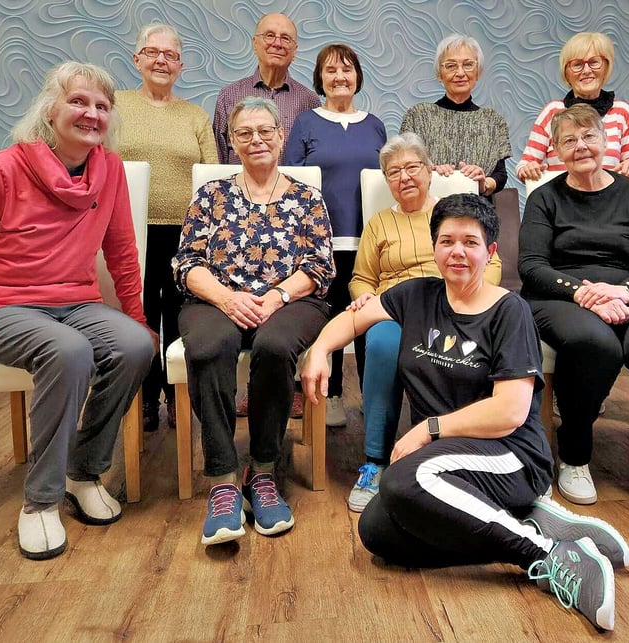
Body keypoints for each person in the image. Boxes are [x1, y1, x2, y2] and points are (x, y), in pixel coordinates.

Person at [303, 193, 629, 631]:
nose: (457, 251)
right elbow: (354, 318)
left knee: (401, 481)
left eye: (470, 242)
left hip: (510, 454)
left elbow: (510, 411)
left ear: (490, 251)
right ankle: (524, 521)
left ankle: (549, 556)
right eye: (447, 241)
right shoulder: (416, 295)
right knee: (377, 530)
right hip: (449, 458)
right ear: (434, 248)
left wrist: (429, 428)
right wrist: (320, 349)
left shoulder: (509, 311)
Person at [0, 62, 156, 560]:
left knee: (135, 346)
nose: (91, 114)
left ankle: (82, 473)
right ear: (49, 109)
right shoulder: (2, 169)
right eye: (78, 101)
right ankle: (41, 501)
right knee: (68, 351)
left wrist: (137, 318)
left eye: (102, 106)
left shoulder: (109, 170)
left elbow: (121, 252)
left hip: (76, 302)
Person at [174, 97, 333, 545]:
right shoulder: (211, 195)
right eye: (244, 133)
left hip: (292, 300)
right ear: (231, 141)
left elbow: (320, 266)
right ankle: (223, 480)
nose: (256, 140)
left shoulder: (307, 197)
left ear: (281, 137)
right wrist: (227, 298)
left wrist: (278, 296)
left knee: (274, 346)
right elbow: (187, 262)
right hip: (215, 298)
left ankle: (262, 470)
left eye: (265, 131)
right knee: (209, 346)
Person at [518, 105, 629, 527]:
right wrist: (583, 293)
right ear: (556, 150)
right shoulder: (544, 198)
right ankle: (574, 456)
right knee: (594, 343)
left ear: (606, 140)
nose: (580, 146)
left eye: (588, 136)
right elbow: (532, 267)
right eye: (569, 140)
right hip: (560, 294)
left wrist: (624, 290)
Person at [344, 133, 501, 512]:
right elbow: (362, 278)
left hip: (455, 306)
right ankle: (376, 459)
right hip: (397, 310)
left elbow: (492, 264)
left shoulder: (452, 217)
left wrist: (471, 298)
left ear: (430, 171)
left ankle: (452, 449)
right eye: (394, 172)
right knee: (382, 343)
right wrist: (363, 297)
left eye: (412, 167)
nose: (404, 177)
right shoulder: (380, 223)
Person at [115, 23, 218, 432]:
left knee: (180, 315)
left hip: (185, 234)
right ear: (137, 59)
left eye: (170, 55)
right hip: (128, 231)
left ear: (180, 66)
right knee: (137, 314)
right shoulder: (116, 106)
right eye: (152, 52)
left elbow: (211, 176)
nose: (161, 60)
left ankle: (178, 397)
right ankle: (143, 396)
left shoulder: (195, 116)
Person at [286, 43, 386, 428]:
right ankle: (333, 396)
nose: (339, 77)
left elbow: (387, 180)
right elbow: (291, 183)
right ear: (320, 80)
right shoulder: (306, 123)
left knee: (366, 318)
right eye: (330, 71)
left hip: (368, 241)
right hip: (320, 244)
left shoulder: (374, 124)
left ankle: (372, 398)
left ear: (357, 77)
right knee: (329, 318)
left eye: (347, 69)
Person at [516, 32, 629, 182]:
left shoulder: (622, 112)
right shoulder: (552, 112)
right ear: (566, 72)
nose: (586, 71)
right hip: (561, 196)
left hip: (611, 196)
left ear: (606, 68)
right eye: (577, 64)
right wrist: (528, 169)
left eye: (594, 62)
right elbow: (524, 166)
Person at [399, 34, 511, 197]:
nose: (460, 73)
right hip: (428, 207)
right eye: (451, 66)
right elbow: (404, 165)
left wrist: (484, 183)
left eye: (468, 64)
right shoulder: (418, 116)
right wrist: (431, 171)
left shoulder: (493, 120)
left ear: (478, 72)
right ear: (439, 74)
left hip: (478, 207)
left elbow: (500, 174)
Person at [212, 13, 320, 164]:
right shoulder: (228, 96)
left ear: (294, 51)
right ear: (255, 44)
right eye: (269, 36)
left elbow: (315, 160)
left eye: (285, 38)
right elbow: (217, 159)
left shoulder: (310, 102)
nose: (277, 43)